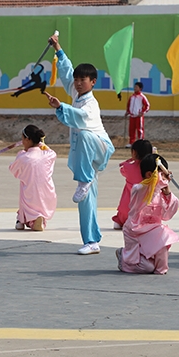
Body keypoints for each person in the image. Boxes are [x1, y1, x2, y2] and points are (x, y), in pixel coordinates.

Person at [44, 33, 114, 255]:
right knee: (86, 200)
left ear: (93, 82)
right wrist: (57, 48)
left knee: (83, 134)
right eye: (77, 79)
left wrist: (61, 107)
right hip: (86, 156)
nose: (77, 82)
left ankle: (83, 180)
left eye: (82, 80)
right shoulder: (75, 93)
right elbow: (65, 70)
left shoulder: (91, 104)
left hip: (100, 147)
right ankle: (91, 241)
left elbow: (80, 118)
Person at [116, 154, 179, 275]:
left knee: (163, 234)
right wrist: (159, 184)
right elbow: (144, 191)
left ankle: (161, 269)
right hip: (135, 231)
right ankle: (123, 257)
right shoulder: (138, 189)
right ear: (150, 175)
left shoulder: (161, 193)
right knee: (146, 267)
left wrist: (167, 193)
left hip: (152, 230)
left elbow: (167, 215)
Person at [9, 124, 57, 231]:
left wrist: (22, 153)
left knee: (25, 189)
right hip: (48, 193)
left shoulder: (23, 157)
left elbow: (13, 169)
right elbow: (51, 152)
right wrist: (42, 146)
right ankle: (36, 219)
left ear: (28, 139)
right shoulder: (49, 155)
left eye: (23, 139)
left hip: (30, 193)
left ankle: (28, 220)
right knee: (32, 193)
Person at [112, 139, 152, 230]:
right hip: (144, 210)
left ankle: (120, 221)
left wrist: (127, 162)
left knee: (122, 214)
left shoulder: (128, 167)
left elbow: (123, 171)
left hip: (127, 209)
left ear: (134, 152)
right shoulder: (152, 170)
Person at [125, 82, 150, 147]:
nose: (135, 88)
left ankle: (141, 143)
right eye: (134, 87)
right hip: (132, 116)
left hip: (139, 116)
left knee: (140, 130)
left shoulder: (142, 97)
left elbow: (147, 106)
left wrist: (142, 112)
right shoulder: (132, 97)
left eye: (136, 87)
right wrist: (127, 111)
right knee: (131, 130)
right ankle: (131, 142)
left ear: (140, 88)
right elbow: (129, 105)